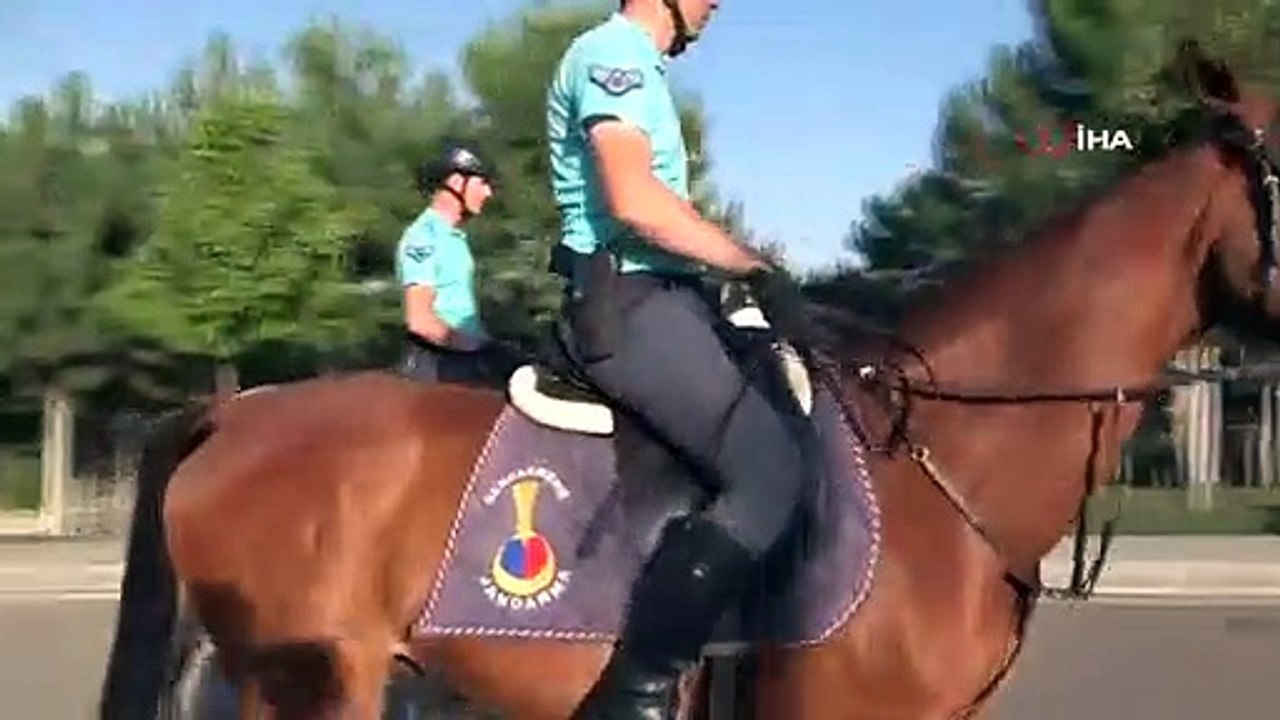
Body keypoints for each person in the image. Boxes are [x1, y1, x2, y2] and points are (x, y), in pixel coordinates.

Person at [546, 1, 814, 717]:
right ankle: (634, 693)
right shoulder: (615, 55)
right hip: (627, 304)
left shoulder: (643, 68)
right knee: (769, 472)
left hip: (669, 295)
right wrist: (750, 266)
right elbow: (636, 201)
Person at [395, 143, 511, 385]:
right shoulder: (424, 237)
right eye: (483, 183)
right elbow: (420, 320)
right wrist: (481, 347)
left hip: (461, 358)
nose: (488, 193)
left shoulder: (453, 237)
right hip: (438, 366)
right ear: (457, 182)